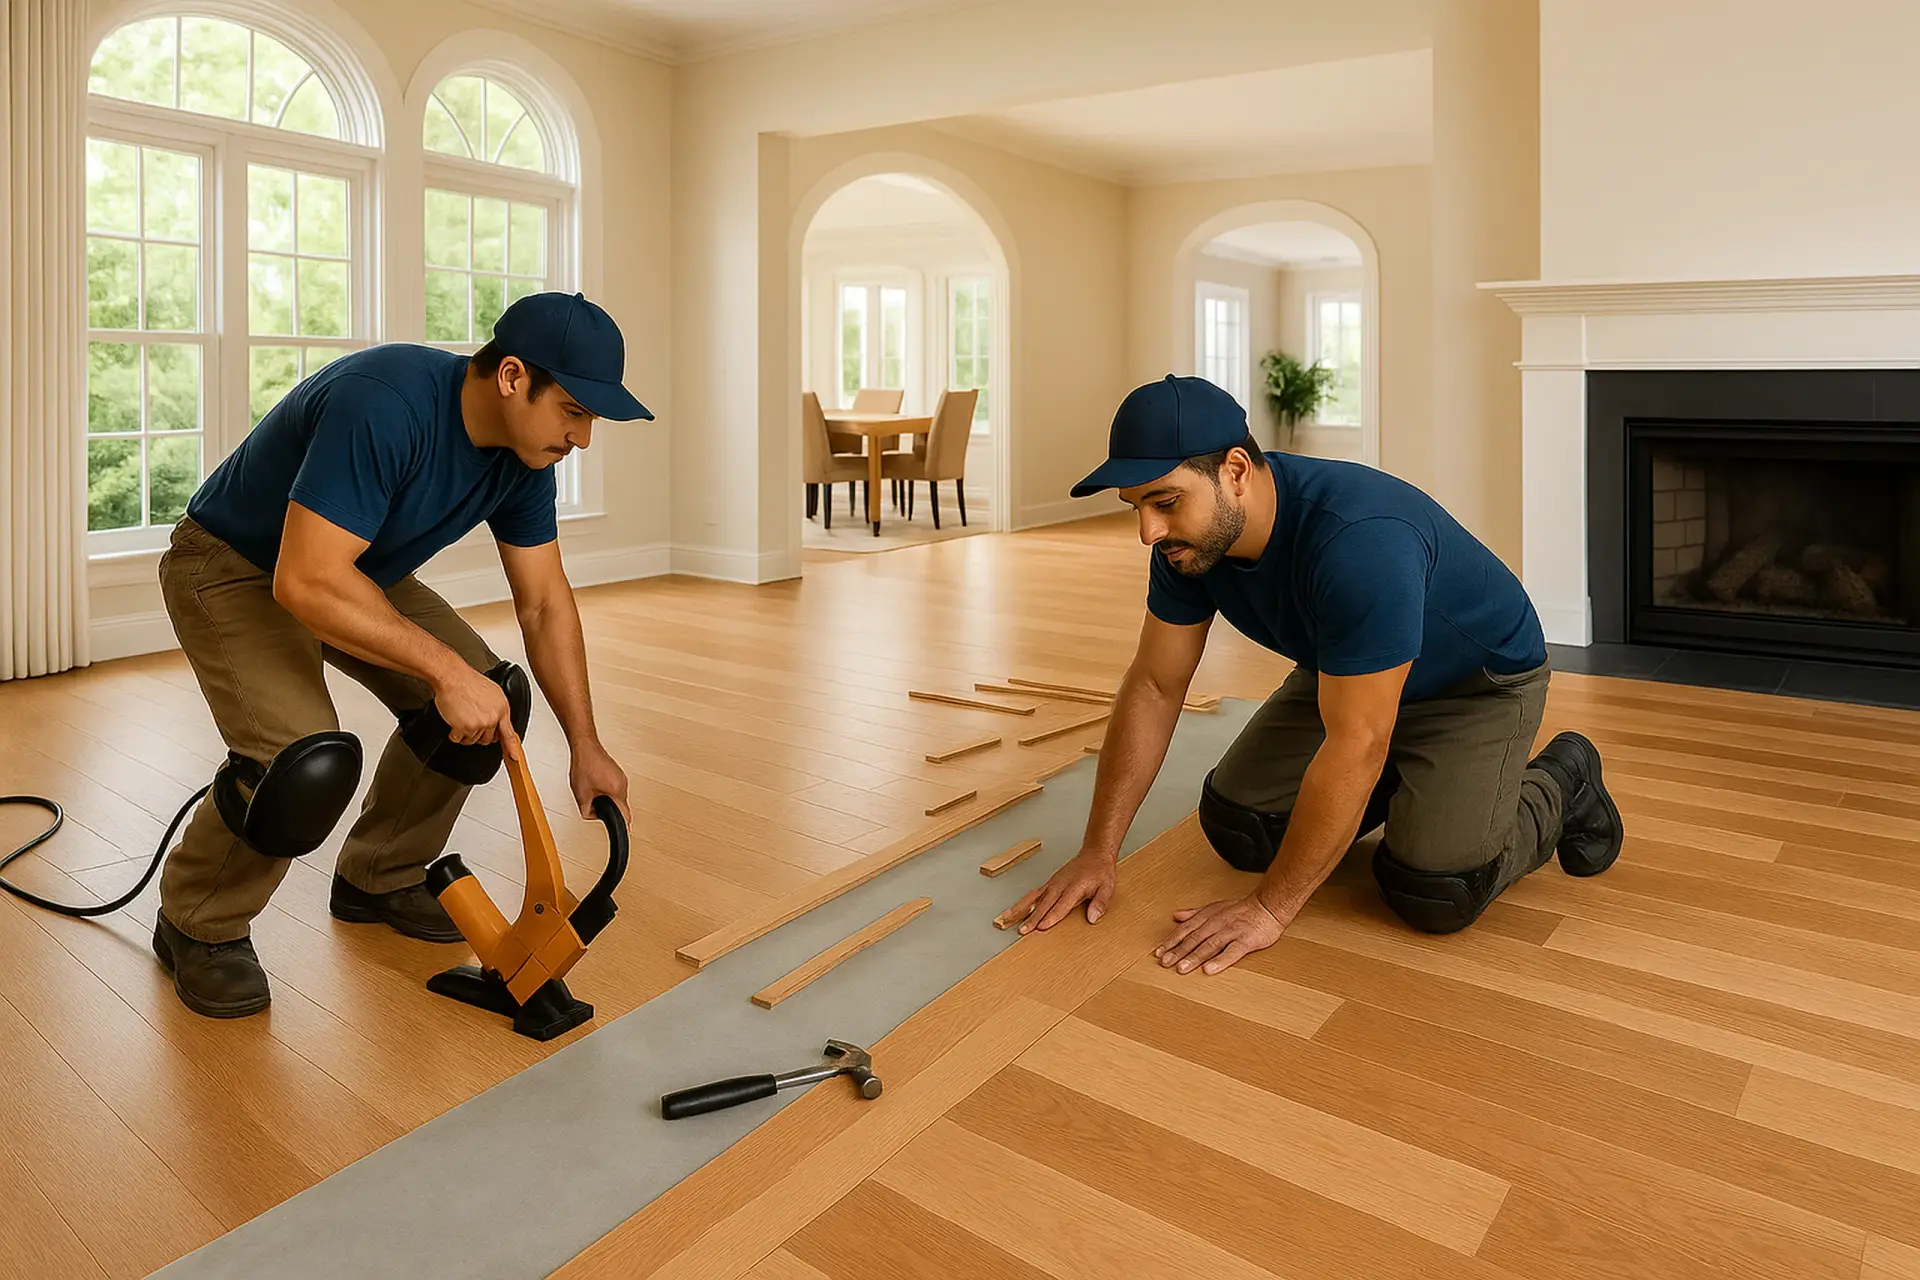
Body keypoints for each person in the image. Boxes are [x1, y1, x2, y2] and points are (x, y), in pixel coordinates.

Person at [998, 375, 1623, 976]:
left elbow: (1356, 743)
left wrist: (1269, 909)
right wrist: (1097, 851)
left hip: (1474, 686)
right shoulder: (1187, 545)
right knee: (1242, 828)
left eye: (1164, 502)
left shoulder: (1361, 542)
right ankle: (1412, 787)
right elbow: (1157, 686)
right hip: (1347, 672)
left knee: (1433, 889)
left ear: (1236, 471)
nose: (1148, 531)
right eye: (1136, 507)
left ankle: (1561, 781)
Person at [151, 291, 650, 1019]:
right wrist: (442, 671)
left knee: (492, 696)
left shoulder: (523, 461)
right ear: (512, 377)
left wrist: (587, 744)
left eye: (592, 420)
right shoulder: (383, 402)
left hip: (351, 571)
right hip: (233, 566)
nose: (583, 437)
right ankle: (198, 923)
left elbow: (544, 602)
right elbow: (304, 579)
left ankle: (380, 875)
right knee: (302, 762)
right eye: (574, 411)